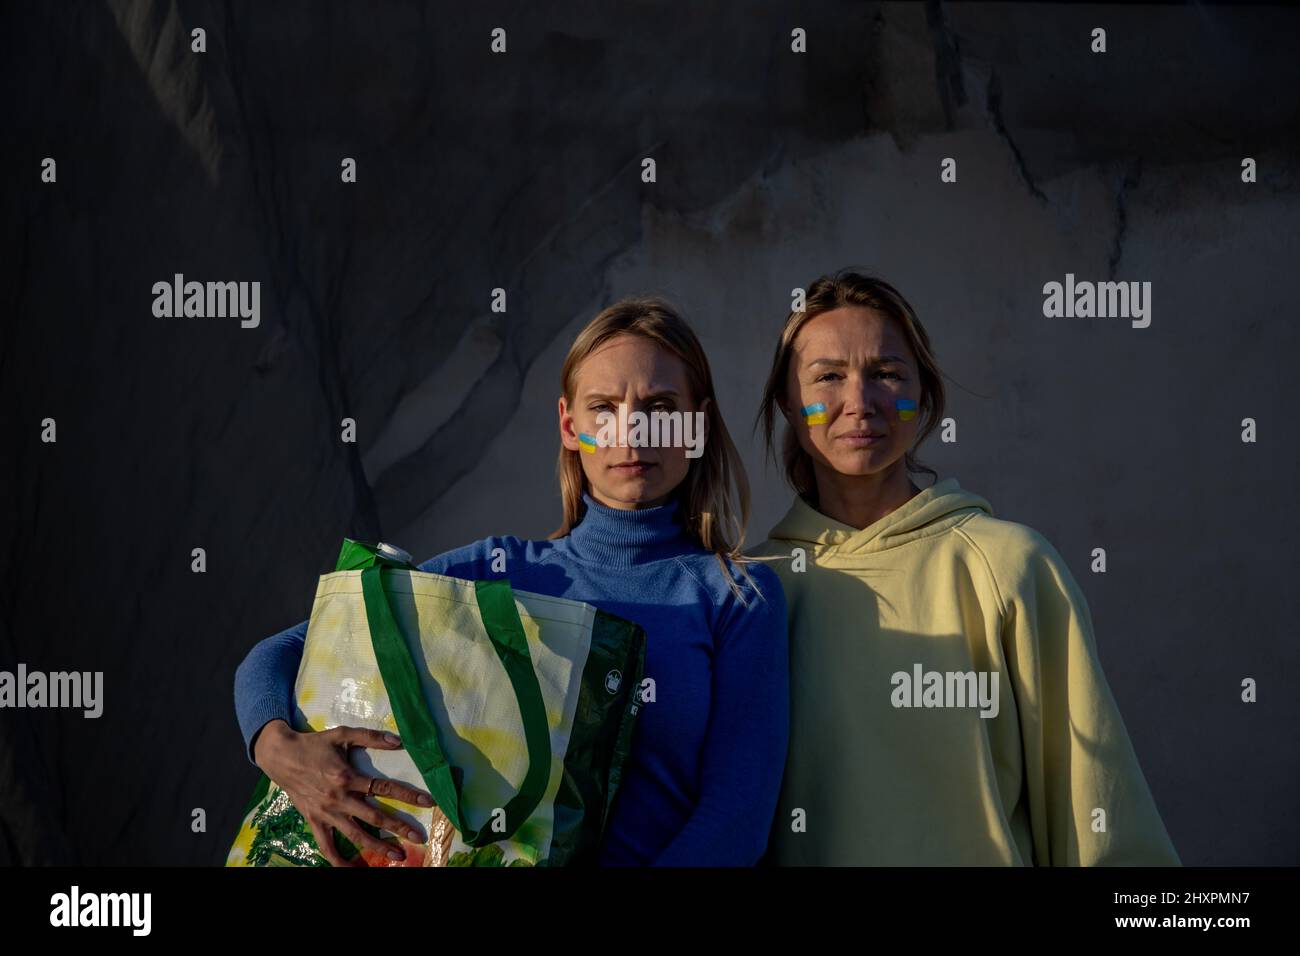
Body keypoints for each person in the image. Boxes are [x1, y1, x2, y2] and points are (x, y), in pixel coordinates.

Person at [235, 296, 788, 866]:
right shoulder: (495, 571)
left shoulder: (735, 596)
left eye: (661, 406)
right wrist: (279, 748)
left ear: (696, 425)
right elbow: (278, 652)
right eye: (604, 407)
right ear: (570, 427)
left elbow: (735, 821)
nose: (633, 430)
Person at [749, 270, 1179, 865]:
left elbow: (1100, 820)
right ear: (787, 405)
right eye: (827, 377)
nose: (860, 402)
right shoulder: (747, 588)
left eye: (887, 374)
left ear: (923, 394)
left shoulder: (1013, 566)